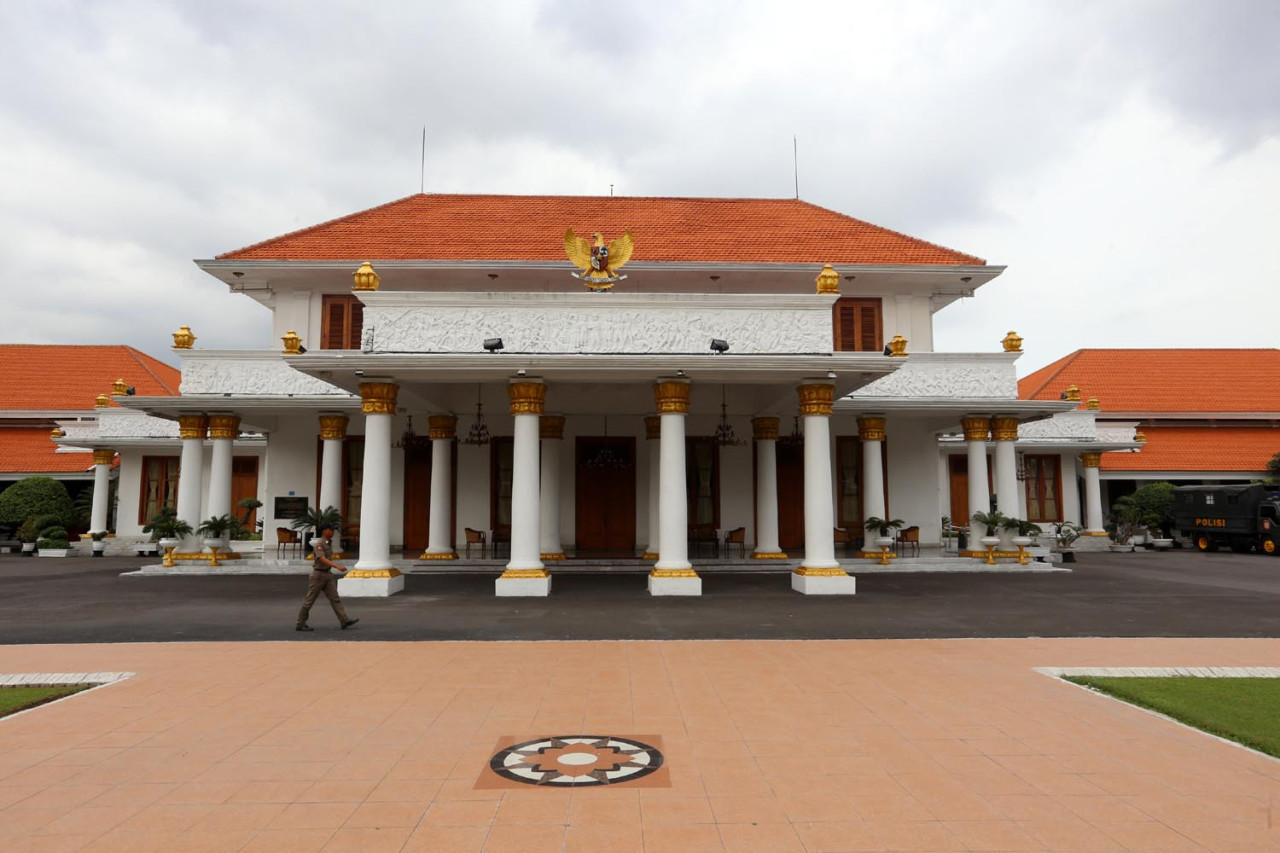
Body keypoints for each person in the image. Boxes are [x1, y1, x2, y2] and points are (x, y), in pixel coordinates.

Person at [296, 524, 358, 631]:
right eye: (331, 530)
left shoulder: (328, 543)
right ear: (324, 531)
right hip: (318, 575)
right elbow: (321, 558)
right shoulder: (320, 544)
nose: (333, 532)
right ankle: (300, 623)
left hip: (327, 574)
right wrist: (337, 566)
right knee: (309, 600)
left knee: (335, 598)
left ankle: (344, 620)